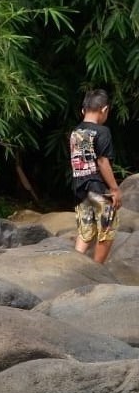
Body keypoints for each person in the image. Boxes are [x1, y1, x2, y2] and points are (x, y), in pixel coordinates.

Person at [70, 88, 123, 265]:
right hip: (98, 189)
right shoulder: (102, 132)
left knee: (86, 229)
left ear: (83, 110)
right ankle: (96, 270)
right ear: (104, 109)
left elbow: (83, 159)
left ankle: (77, 266)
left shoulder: (76, 132)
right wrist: (115, 189)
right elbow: (102, 162)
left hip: (81, 188)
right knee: (107, 228)